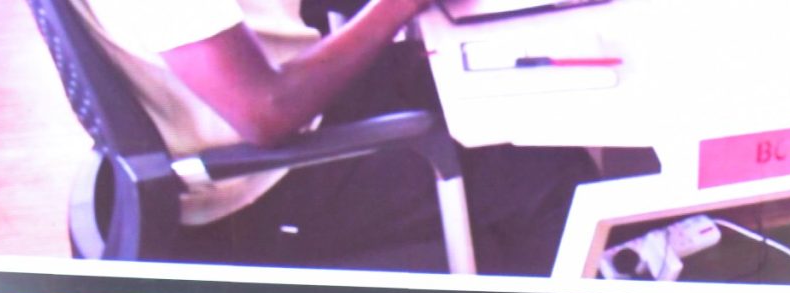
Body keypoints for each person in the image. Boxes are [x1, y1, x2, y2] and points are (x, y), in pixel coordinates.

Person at [61, 0, 594, 274]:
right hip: (269, 179)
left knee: (531, 92)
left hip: (298, 101)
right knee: (549, 175)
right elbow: (266, 112)